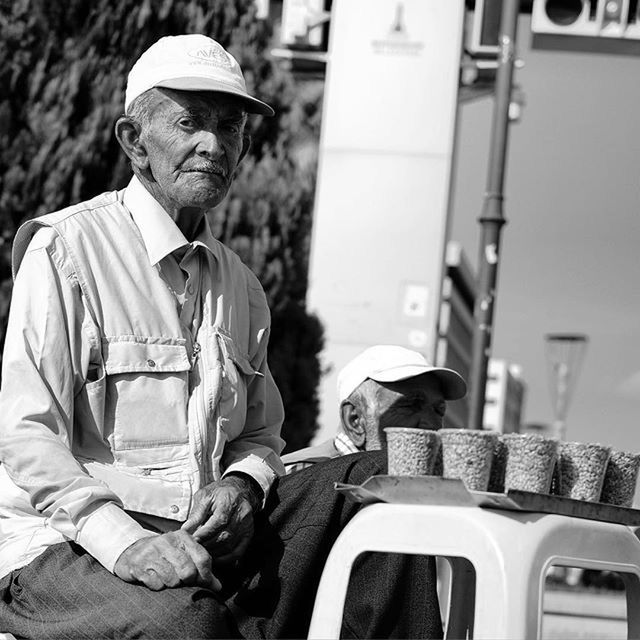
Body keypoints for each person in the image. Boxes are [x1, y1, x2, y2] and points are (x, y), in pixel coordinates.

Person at [0, 35, 443, 640]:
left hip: (196, 544)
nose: (212, 145)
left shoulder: (242, 287)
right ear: (135, 142)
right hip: (57, 550)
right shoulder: (67, 249)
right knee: (186, 623)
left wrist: (241, 483)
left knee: (371, 482)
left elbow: (260, 436)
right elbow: (26, 434)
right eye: (189, 124)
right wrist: (126, 545)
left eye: (229, 129)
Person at [282, 344, 467, 473]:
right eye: (410, 405)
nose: (431, 424)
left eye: (438, 410)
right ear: (355, 420)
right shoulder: (302, 475)